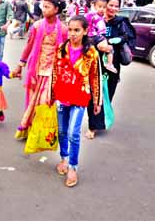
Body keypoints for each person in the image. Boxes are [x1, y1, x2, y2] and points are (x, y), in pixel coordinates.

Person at [51, 15, 102, 187]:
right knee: (62, 131)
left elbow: (96, 77)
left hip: (80, 97)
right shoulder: (60, 49)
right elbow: (54, 73)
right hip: (61, 96)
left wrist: (97, 101)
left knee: (73, 132)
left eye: (77, 30)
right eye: (70, 30)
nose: (72, 34)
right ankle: (64, 159)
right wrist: (51, 95)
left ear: (85, 31)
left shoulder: (91, 53)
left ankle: (73, 167)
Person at [11, 0, 68, 139]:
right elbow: (29, 46)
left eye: (47, 6)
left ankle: (43, 133)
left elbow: (66, 53)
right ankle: (29, 130)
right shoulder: (37, 26)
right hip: (36, 69)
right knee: (32, 101)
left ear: (56, 10)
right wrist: (20, 65)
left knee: (46, 101)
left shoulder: (64, 29)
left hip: (52, 72)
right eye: (43, 6)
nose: (43, 9)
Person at [85, 0, 136, 139]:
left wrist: (112, 41)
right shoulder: (94, 20)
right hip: (95, 62)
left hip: (112, 64)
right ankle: (93, 126)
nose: (113, 8)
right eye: (111, 5)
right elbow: (85, 36)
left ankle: (102, 119)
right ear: (104, 6)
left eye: (116, 6)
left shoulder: (120, 22)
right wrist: (98, 43)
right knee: (94, 94)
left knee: (108, 94)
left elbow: (127, 37)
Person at [85, 0, 117, 73]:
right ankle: (109, 64)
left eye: (104, 7)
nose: (102, 9)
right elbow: (102, 30)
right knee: (110, 48)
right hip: (96, 37)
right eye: (100, 7)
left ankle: (107, 62)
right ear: (95, 7)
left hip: (89, 37)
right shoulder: (97, 17)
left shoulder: (90, 15)